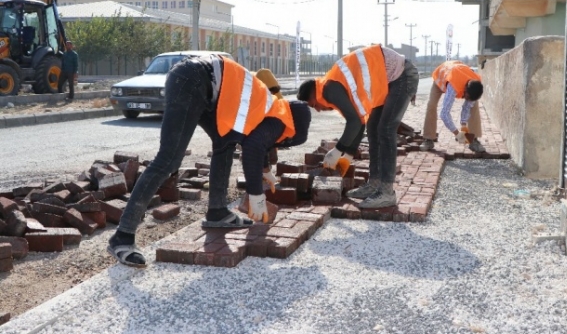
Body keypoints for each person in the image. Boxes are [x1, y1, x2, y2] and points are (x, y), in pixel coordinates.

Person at [107, 54, 312, 267]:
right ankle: (122, 236)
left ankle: (218, 211)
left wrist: (265, 169)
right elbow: (254, 147)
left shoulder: (271, 108)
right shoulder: (279, 119)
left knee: (224, 144)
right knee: (168, 159)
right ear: (291, 133)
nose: (279, 143)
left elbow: (258, 141)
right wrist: (256, 195)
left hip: (203, 82)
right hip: (193, 80)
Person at [297, 44, 418, 209]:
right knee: (373, 128)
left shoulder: (328, 89)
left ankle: (387, 193)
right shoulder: (334, 86)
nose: (318, 109)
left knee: (386, 129)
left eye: (314, 104)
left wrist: (337, 151)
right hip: (388, 82)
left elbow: (353, 121)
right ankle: (375, 184)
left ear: (314, 94)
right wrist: (348, 156)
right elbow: (359, 121)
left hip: (402, 76)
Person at [419, 60, 486, 153]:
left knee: (474, 106)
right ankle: (428, 139)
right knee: (431, 105)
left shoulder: (476, 83)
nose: (467, 100)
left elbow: (467, 107)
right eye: (467, 97)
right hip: (441, 79)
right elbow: (444, 113)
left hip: (457, 73)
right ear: (465, 90)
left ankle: (473, 140)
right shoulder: (454, 86)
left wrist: (463, 126)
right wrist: (457, 134)